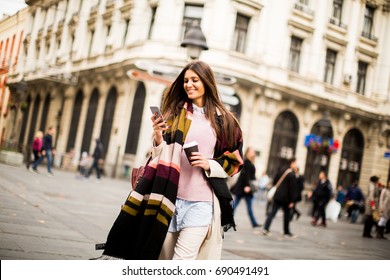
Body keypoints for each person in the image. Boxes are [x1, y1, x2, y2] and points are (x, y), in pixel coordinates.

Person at [98, 60, 244, 260]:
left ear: (207, 82)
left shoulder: (224, 120)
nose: (189, 84)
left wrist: (209, 163)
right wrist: (158, 136)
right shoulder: (175, 115)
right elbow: (156, 157)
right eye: (186, 80)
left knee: (182, 260)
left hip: (202, 203)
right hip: (167, 200)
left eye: (195, 80)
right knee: (162, 259)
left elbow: (235, 161)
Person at [263, 157, 298, 237]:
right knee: (286, 214)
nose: (296, 165)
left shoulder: (282, 169)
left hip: (278, 195)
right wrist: (292, 201)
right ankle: (286, 231)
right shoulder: (291, 174)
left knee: (272, 212)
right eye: (295, 163)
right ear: (292, 163)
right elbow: (292, 189)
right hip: (286, 198)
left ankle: (266, 228)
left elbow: (275, 180)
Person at [231, 147, 261, 228]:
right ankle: (227, 219)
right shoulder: (246, 162)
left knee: (241, 205)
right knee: (237, 204)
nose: (253, 153)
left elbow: (250, 176)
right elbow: (245, 175)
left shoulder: (250, 162)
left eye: (253, 152)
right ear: (247, 153)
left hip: (245, 188)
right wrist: (247, 186)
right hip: (244, 188)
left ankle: (254, 223)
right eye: (251, 152)